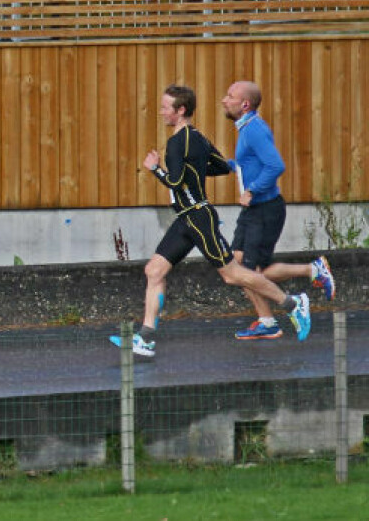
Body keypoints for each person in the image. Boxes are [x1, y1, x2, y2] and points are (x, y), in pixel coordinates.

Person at [109, 84, 310, 358]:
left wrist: (155, 168)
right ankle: (145, 337)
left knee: (232, 274)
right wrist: (194, 168)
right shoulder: (197, 137)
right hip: (186, 218)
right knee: (154, 270)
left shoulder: (177, 142)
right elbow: (219, 166)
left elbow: (177, 182)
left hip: (197, 218)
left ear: (181, 110)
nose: (162, 112)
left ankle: (292, 303)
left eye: (165, 107)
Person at [221, 81, 335, 341]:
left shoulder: (254, 130)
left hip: (265, 210)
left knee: (249, 273)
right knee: (237, 266)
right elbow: (248, 164)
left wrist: (252, 191)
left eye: (230, 96)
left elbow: (275, 166)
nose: (224, 100)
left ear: (245, 104)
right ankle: (270, 317)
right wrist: (222, 163)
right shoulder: (247, 128)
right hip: (255, 211)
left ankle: (306, 277)